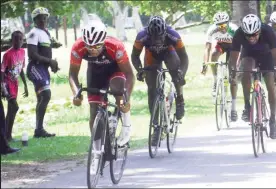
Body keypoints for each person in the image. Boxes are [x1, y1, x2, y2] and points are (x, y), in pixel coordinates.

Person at [69, 21, 134, 173]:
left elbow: (130, 74)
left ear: (103, 41)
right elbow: (72, 74)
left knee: (118, 92)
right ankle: (96, 153)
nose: (93, 50)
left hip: (115, 69)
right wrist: (76, 93)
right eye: (89, 46)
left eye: (97, 46)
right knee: (94, 109)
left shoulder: (115, 46)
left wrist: (126, 98)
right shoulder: (78, 47)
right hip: (95, 72)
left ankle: (126, 125)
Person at [131, 16, 188, 145]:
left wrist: (181, 73)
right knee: (152, 90)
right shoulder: (142, 36)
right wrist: (140, 70)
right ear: (149, 33)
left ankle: (180, 100)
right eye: (154, 38)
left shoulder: (172, 35)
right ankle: (156, 126)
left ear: (164, 32)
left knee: (176, 75)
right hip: (151, 56)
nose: (157, 40)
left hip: (169, 52)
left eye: (160, 37)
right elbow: (134, 56)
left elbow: (184, 57)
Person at [229, 14, 276, 139]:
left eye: (254, 34)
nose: (251, 37)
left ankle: (273, 120)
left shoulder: (268, 32)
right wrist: (233, 71)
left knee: (270, 84)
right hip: (249, 55)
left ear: (259, 30)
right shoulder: (238, 34)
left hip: (266, 56)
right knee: (246, 72)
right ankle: (247, 106)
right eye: (248, 35)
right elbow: (233, 57)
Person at [26, 7, 59, 138]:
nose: (43, 20)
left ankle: (39, 130)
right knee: (46, 94)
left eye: (45, 17)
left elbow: (45, 51)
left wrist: (52, 65)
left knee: (42, 97)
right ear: (35, 20)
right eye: (40, 17)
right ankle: (39, 129)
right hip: (35, 67)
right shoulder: (33, 33)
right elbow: (32, 54)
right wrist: (50, 61)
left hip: (43, 68)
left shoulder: (46, 33)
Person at [201, 11, 240, 121]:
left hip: (233, 47)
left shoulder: (234, 29)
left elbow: (240, 48)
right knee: (214, 55)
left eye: (224, 25)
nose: (222, 28)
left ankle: (233, 108)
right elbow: (207, 48)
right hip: (221, 45)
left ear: (228, 23)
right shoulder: (212, 30)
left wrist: (236, 64)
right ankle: (215, 79)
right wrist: (205, 64)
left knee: (233, 77)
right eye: (219, 25)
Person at [1, 31, 29, 142]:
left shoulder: (22, 52)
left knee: (11, 109)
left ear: (23, 40)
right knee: (15, 107)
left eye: (20, 39)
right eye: (16, 39)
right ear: (12, 40)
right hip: (7, 84)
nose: (18, 42)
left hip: (15, 84)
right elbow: (2, 71)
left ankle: (7, 136)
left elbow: (21, 69)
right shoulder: (7, 54)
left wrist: (25, 85)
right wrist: (2, 88)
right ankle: (6, 135)